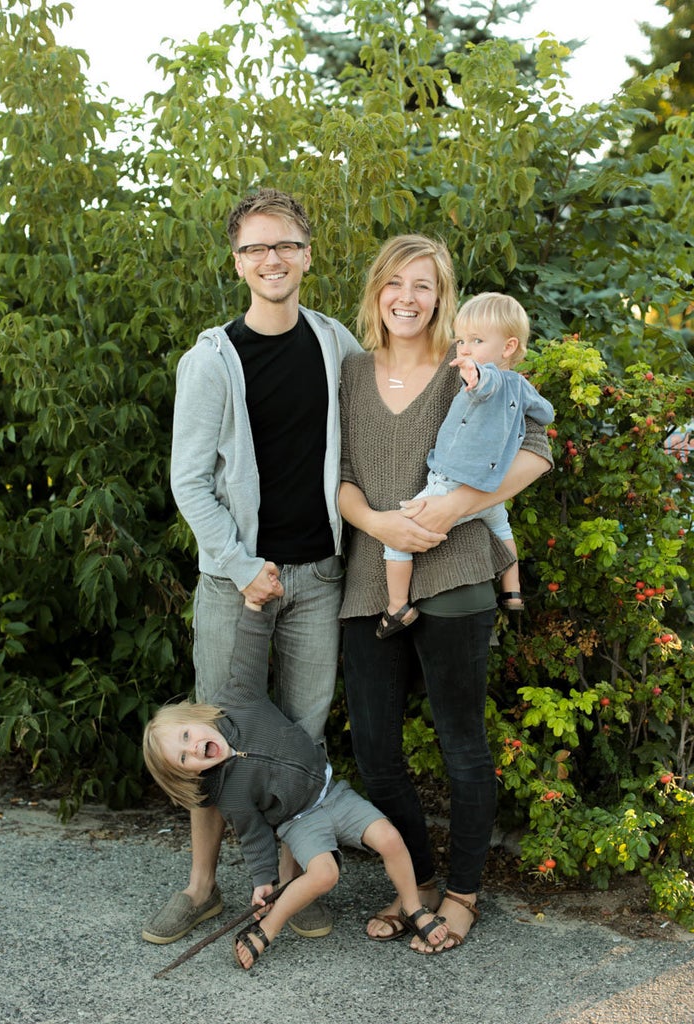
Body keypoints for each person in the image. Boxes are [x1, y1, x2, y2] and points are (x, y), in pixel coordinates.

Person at [142, 189, 360, 946]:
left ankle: (298, 885)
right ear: (237, 262)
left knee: (302, 735)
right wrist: (240, 566)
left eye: (286, 245)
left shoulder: (337, 346)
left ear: (307, 253)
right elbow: (190, 481)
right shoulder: (211, 362)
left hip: (318, 577)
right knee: (209, 738)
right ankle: (202, 887)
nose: (272, 259)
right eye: (256, 248)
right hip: (238, 584)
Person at [338, 235, 552, 952]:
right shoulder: (350, 372)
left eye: (423, 285)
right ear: (376, 293)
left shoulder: (473, 369)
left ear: (442, 297)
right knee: (374, 750)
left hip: (457, 571)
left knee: (463, 746)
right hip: (372, 576)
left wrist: (450, 508)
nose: (407, 296)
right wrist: (379, 520)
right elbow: (337, 473)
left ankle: (462, 893)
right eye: (394, 283)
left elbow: (537, 453)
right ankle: (418, 883)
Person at [143, 604, 453, 969]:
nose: (192, 746)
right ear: (189, 774)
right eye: (183, 757)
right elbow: (253, 835)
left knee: (390, 838)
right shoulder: (227, 792)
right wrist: (263, 881)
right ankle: (268, 927)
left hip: (333, 795)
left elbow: (249, 652)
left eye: (185, 734)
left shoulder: (238, 699)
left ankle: (413, 906)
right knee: (325, 873)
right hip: (299, 821)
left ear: (197, 715)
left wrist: (255, 609)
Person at [378, 291, 555, 637]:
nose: (465, 349)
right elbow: (545, 412)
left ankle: (397, 606)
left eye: (476, 340)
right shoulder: (520, 385)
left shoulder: (484, 377)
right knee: (501, 528)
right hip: (488, 490)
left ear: (507, 348)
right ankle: (513, 589)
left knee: (398, 537)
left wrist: (474, 375)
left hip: (450, 484)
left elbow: (484, 382)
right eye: (461, 341)